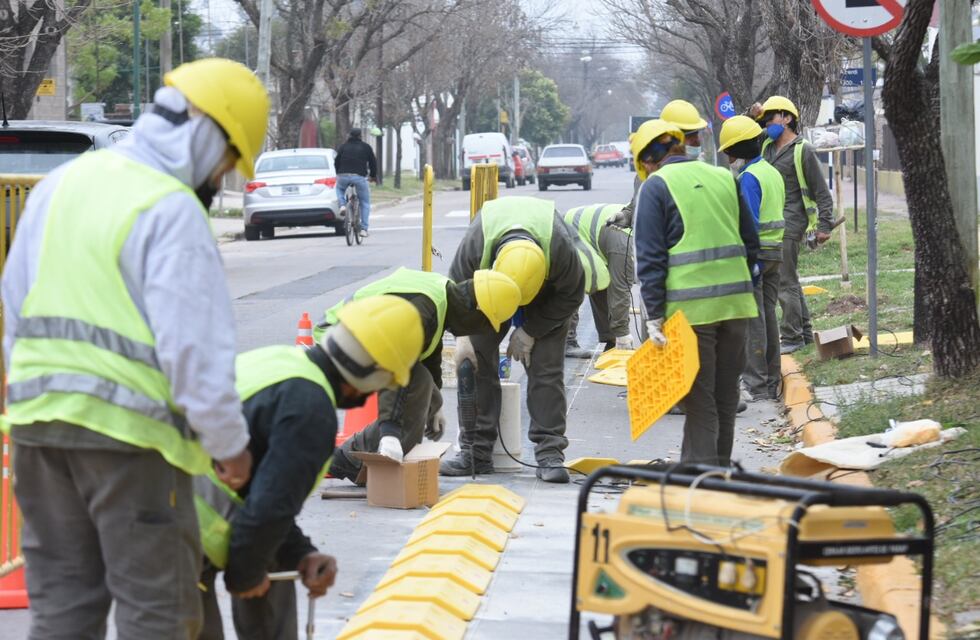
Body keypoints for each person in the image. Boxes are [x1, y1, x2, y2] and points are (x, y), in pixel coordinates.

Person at [1, 58, 267, 639]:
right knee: (159, 615)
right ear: (206, 134)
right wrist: (231, 447)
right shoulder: (169, 209)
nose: (218, 179)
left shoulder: (59, 187)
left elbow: (14, 311)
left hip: (35, 434)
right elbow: (194, 355)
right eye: (226, 162)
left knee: (64, 613)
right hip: (129, 445)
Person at [197, 295, 424, 640]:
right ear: (371, 374)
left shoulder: (278, 361)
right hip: (175, 526)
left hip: (157, 498)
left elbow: (259, 492)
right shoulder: (310, 411)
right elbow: (266, 509)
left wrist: (301, 553)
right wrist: (245, 576)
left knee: (269, 554)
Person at [632, 119, 759, 467]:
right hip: (736, 308)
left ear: (647, 160)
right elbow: (752, 243)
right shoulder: (724, 177)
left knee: (700, 402)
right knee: (725, 396)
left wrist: (654, 317)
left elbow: (651, 259)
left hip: (690, 314)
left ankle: (701, 482)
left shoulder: (655, 187)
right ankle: (718, 473)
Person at [317, 268, 521, 483]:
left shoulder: (443, 297)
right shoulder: (422, 309)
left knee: (422, 385)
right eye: (484, 324)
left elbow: (427, 351)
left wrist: (436, 404)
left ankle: (362, 464)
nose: (480, 331)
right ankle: (350, 460)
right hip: (339, 338)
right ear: (477, 309)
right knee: (417, 384)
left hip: (358, 336)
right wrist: (390, 431)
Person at [440, 196, 586, 483]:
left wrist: (532, 330)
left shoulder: (561, 251)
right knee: (476, 362)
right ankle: (476, 452)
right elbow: (455, 294)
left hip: (547, 298)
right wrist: (464, 339)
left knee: (546, 369)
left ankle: (550, 453)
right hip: (490, 292)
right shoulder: (476, 245)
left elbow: (572, 294)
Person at [754, 96, 834, 354]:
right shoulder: (765, 146)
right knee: (789, 278)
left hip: (792, 219)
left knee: (782, 279)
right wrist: (752, 114)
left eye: (771, 117)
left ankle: (792, 337)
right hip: (773, 220)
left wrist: (825, 225)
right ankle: (805, 333)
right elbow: (741, 138)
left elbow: (821, 191)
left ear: (787, 118)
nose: (767, 124)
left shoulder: (803, 150)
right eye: (764, 120)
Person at [719, 115, 787, 401]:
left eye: (729, 152)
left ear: (736, 151)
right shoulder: (770, 171)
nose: (728, 157)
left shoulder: (748, 178)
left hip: (758, 255)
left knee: (754, 320)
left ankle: (757, 385)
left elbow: (748, 222)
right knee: (768, 315)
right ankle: (772, 380)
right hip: (776, 251)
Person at [564, 203, 636, 354]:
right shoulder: (625, 242)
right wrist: (623, 333)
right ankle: (566, 341)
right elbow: (620, 290)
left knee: (602, 282)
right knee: (573, 284)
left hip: (588, 228)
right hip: (570, 230)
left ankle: (611, 340)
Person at [334, 127, 378, 237]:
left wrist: (338, 173)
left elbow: (337, 161)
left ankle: (343, 205)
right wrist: (373, 176)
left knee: (339, 189)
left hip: (343, 175)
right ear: (360, 136)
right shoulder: (366, 147)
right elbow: (373, 163)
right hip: (359, 177)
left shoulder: (343, 147)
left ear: (349, 135)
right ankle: (364, 229)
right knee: (365, 202)